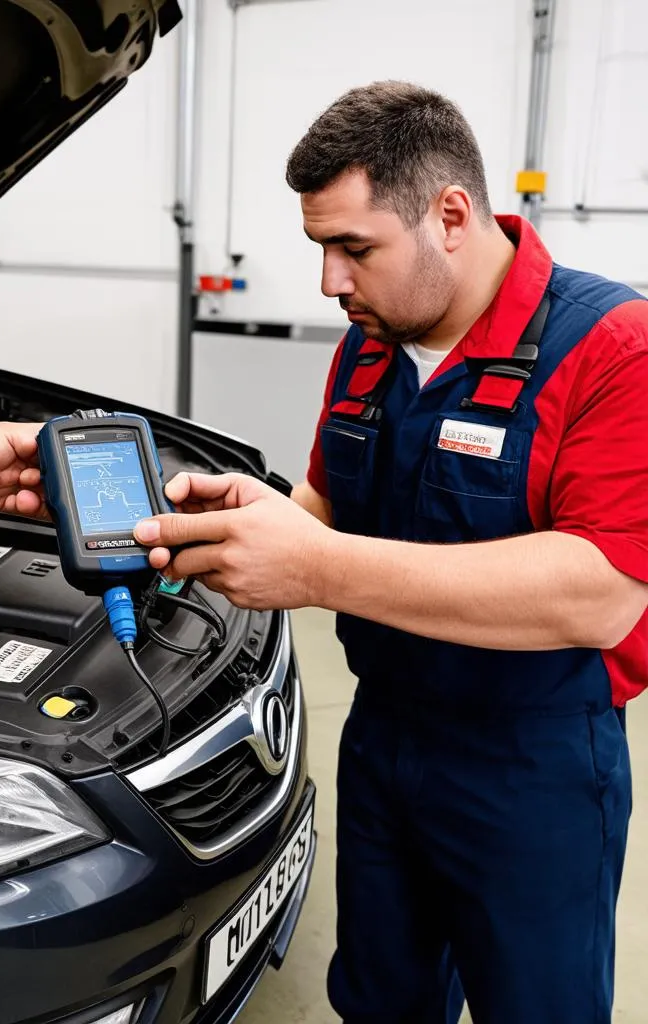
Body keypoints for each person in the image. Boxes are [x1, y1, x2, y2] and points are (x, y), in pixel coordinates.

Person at [125, 81, 648, 1024]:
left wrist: (315, 566)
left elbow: (601, 594)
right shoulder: (369, 348)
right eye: (322, 248)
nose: (332, 281)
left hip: (531, 766)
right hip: (382, 738)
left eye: (354, 248)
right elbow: (324, 508)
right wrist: (248, 518)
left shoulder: (614, 348)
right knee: (378, 998)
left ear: (451, 214)